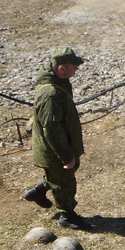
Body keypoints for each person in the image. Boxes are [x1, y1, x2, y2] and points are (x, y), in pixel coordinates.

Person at [21, 46, 92, 230]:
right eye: (74, 66)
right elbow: (52, 130)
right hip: (54, 148)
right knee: (65, 181)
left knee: (63, 173)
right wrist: (66, 156)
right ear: (61, 68)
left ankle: (39, 191)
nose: (77, 69)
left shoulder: (59, 81)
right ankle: (67, 215)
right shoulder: (50, 94)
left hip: (61, 143)